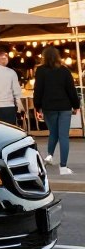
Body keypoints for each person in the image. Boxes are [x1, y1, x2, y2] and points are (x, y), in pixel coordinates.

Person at [33, 46, 80, 175]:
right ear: (58, 56)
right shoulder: (64, 70)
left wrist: (37, 106)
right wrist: (76, 105)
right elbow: (71, 90)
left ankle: (49, 155)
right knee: (63, 136)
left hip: (49, 107)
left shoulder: (40, 71)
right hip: (64, 106)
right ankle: (63, 167)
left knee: (53, 133)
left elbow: (38, 90)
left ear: (44, 57)